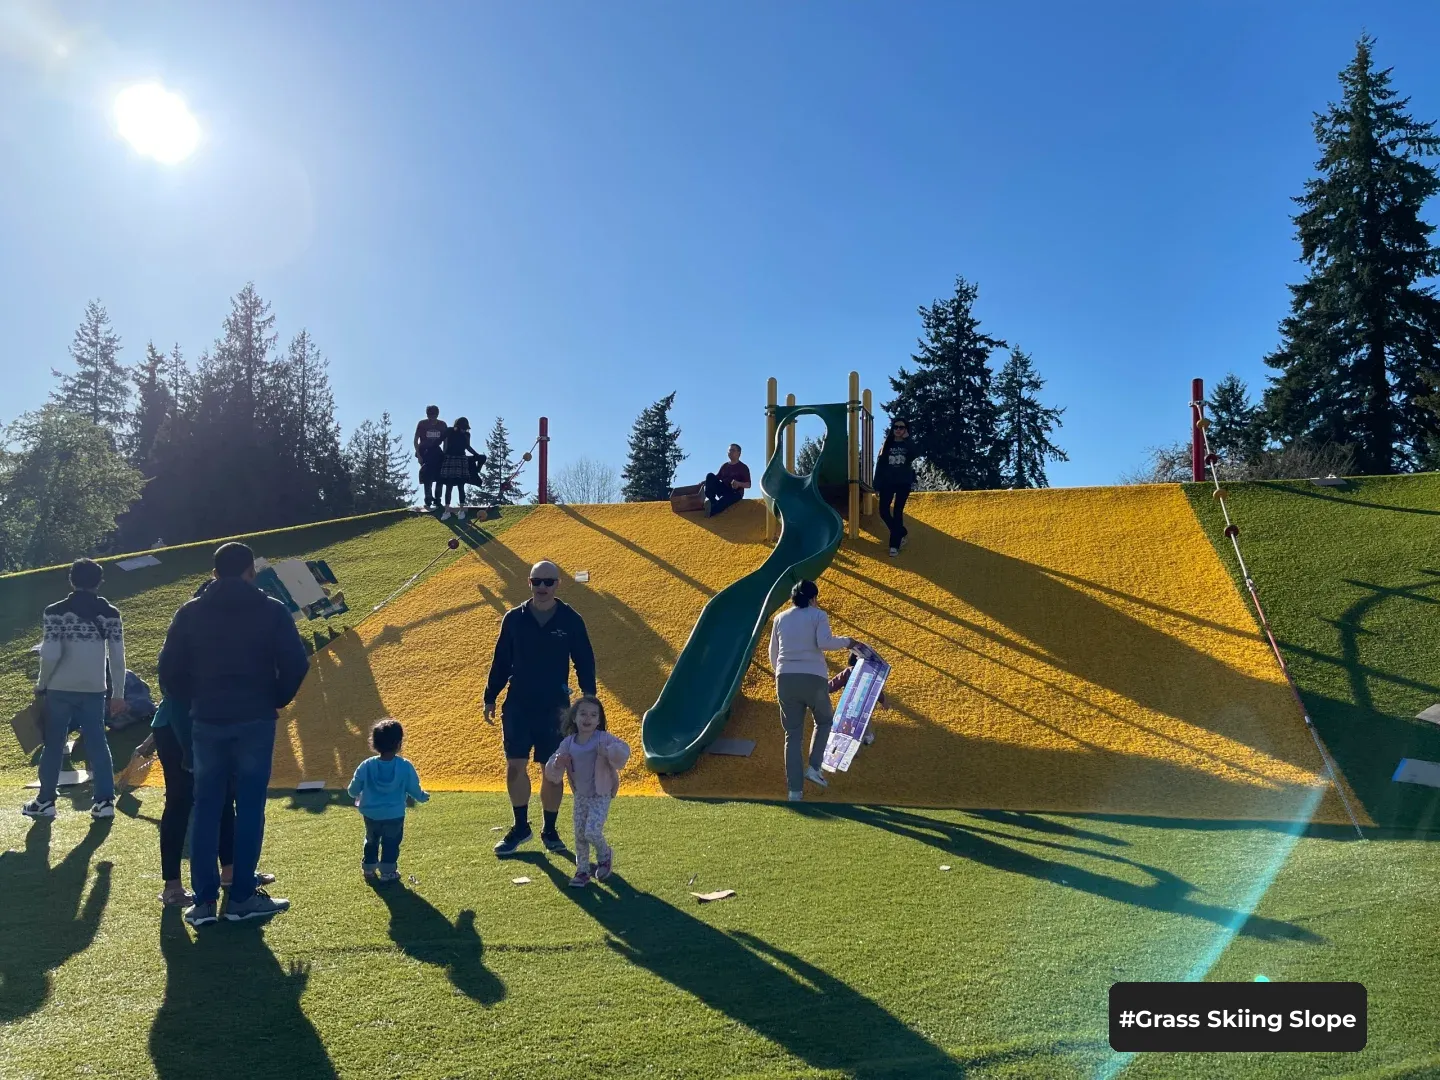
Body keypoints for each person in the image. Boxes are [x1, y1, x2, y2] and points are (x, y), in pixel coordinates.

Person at [157, 542, 310, 927]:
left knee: (207, 807)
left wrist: (195, 698)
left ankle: (203, 901)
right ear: (250, 572)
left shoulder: (191, 612)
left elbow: (168, 672)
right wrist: (275, 697)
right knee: (249, 808)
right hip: (255, 717)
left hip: (207, 719)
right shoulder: (271, 609)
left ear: (213, 574)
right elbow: (295, 661)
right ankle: (241, 894)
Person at [484, 560, 597, 856]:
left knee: (552, 770)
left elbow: (584, 658)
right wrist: (490, 696)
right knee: (515, 766)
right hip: (518, 703)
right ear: (529, 583)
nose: (543, 587)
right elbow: (500, 661)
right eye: (537, 582)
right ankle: (521, 827)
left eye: (549, 581)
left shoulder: (571, 619)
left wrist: (589, 695)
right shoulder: (513, 619)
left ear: (558, 584)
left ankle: (550, 830)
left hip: (555, 708)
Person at [23, 559, 126, 820]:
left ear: (71, 580)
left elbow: (51, 653)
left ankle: (46, 801)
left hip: (59, 687)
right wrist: (118, 694)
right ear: (99, 581)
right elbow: (117, 657)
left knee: (53, 743)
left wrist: (42, 683)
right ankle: (104, 801)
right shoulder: (110, 613)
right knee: (97, 743)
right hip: (94, 687)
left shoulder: (55, 611)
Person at [767, 579, 865, 802]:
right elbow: (824, 642)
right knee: (824, 721)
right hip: (813, 677)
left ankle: (794, 792)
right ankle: (814, 767)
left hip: (785, 678)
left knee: (792, 735)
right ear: (813, 598)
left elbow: (773, 654)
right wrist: (848, 641)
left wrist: (783, 672)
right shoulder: (818, 615)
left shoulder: (780, 618)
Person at [543, 695, 629, 887]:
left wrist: (608, 752)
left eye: (593, 715)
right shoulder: (569, 742)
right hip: (581, 795)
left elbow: (624, 751)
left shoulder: (603, 739)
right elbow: (552, 767)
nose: (587, 719)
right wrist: (558, 762)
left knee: (591, 831)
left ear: (599, 720)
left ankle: (604, 855)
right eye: (583, 714)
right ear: (574, 717)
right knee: (580, 834)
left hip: (601, 794)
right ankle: (582, 871)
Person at [348, 718, 429, 884]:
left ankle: (369, 869)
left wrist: (354, 793)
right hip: (394, 814)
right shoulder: (405, 766)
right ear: (399, 743)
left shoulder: (366, 765)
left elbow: (353, 788)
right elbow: (413, 787)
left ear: (374, 743)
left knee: (371, 839)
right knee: (391, 843)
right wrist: (422, 796)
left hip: (370, 813)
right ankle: (388, 872)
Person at [874, 419, 917, 557]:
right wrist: (877, 485)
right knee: (883, 511)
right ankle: (901, 533)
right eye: (896, 427)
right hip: (888, 482)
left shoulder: (908, 444)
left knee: (898, 511)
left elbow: (915, 454)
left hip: (903, 482)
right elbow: (880, 465)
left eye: (901, 427)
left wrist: (908, 440)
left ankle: (894, 545)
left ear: (906, 429)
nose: (898, 429)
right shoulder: (887, 445)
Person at [828, 653, 885, 746]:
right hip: (864, 703)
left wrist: (824, 688)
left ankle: (858, 735)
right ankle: (867, 736)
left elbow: (834, 684)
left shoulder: (849, 671)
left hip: (849, 702)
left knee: (848, 718)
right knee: (864, 719)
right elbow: (876, 689)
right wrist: (883, 701)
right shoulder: (870, 673)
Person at [438, 416, 485, 520]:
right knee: (449, 486)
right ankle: (447, 510)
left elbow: (467, 446)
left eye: (465, 428)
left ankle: (461, 510)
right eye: (462, 427)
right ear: (457, 426)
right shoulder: (449, 431)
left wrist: (476, 455)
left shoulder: (467, 434)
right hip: (449, 458)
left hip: (461, 459)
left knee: (461, 486)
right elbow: (440, 440)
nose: (464, 429)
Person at [703, 443, 751, 517]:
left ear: (739, 453)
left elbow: (748, 484)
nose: (730, 452)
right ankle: (711, 501)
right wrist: (704, 482)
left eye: (732, 450)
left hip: (735, 492)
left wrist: (739, 484)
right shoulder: (725, 466)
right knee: (710, 476)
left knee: (723, 501)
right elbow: (716, 478)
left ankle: (712, 511)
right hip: (724, 489)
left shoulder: (743, 467)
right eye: (729, 450)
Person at [414, 406, 448, 510]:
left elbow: (446, 441)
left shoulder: (442, 425)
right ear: (427, 414)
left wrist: (445, 454)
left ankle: (438, 499)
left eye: (434, 415)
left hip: (437, 452)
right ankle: (428, 498)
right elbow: (416, 440)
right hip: (425, 451)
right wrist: (419, 455)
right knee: (427, 475)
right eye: (430, 415)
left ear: (437, 414)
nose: (432, 417)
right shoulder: (422, 424)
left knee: (440, 476)